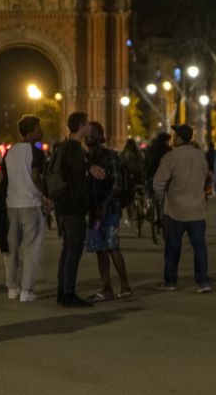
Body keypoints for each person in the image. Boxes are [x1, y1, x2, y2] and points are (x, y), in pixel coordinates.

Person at [52, 112, 105, 307]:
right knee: (74, 249)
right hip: (72, 206)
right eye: (88, 124)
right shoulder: (73, 147)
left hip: (65, 206)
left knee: (68, 248)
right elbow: (75, 166)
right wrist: (89, 167)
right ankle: (68, 292)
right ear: (82, 125)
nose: (90, 127)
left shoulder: (67, 146)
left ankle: (62, 289)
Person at [153, 125, 211, 293]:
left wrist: (160, 198)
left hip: (175, 210)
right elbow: (205, 177)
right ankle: (203, 282)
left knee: (172, 248)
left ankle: (170, 281)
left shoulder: (171, 157)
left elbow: (158, 183)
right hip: (197, 210)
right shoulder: (200, 156)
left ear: (178, 138)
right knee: (199, 247)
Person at [1, 115, 48, 302]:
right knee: (32, 247)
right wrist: (45, 194)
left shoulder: (9, 152)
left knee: (12, 248)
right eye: (38, 129)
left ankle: (12, 288)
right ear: (30, 133)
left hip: (12, 204)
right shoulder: (36, 152)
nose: (41, 131)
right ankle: (27, 291)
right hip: (30, 203)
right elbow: (36, 176)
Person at [85, 121, 132, 302]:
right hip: (94, 212)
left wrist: (104, 204)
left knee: (112, 245)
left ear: (100, 135)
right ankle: (107, 287)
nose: (89, 135)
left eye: (93, 132)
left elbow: (117, 184)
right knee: (99, 248)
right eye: (87, 132)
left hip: (109, 210)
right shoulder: (85, 159)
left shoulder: (109, 155)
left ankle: (125, 286)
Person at [120, 138, 145, 226]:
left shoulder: (124, 154)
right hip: (139, 178)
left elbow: (120, 166)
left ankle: (130, 219)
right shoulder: (140, 153)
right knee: (141, 194)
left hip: (129, 179)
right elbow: (144, 164)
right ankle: (142, 209)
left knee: (129, 200)